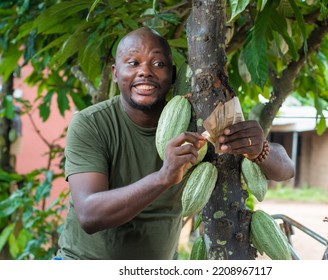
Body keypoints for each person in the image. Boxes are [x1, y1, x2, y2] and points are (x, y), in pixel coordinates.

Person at [55, 27, 295, 260]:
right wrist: (164, 176)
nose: (145, 72)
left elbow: (286, 169)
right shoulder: (91, 124)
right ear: (116, 73)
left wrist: (259, 148)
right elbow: (89, 214)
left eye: (157, 64)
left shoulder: (197, 125)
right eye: (133, 63)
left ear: (171, 74)